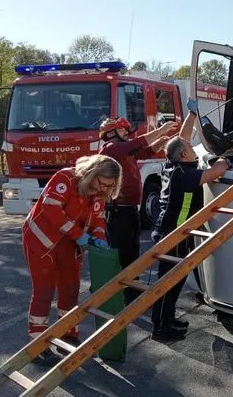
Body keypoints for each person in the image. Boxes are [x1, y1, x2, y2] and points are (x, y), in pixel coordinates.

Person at [22, 154, 122, 365]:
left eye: (110, 186)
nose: (104, 189)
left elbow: (97, 220)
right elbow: (51, 209)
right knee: (44, 291)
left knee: (70, 289)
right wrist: (80, 236)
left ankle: (68, 335)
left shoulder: (98, 192)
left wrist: (99, 239)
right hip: (41, 241)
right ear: (92, 174)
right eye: (102, 183)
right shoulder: (65, 178)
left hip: (68, 244)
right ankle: (37, 344)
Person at [150, 104, 230, 341]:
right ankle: (160, 328)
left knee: (174, 280)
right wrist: (224, 155)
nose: (194, 149)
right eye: (190, 149)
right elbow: (218, 171)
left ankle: (167, 319)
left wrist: (192, 115)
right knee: (169, 283)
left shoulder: (173, 164)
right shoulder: (186, 175)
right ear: (184, 155)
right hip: (175, 233)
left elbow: (180, 138)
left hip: (170, 229)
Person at [98, 117, 180, 305]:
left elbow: (147, 150)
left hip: (129, 210)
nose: (127, 133)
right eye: (123, 130)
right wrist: (161, 130)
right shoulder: (111, 148)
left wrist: (164, 139)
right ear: (111, 133)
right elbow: (140, 142)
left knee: (132, 250)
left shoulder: (124, 150)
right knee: (124, 252)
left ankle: (131, 287)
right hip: (119, 211)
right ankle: (125, 292)